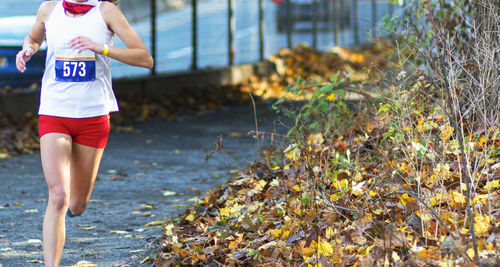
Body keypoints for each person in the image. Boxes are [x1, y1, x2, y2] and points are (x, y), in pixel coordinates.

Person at [16, 0, 153, 266]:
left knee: (77, 204)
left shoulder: (106, 11)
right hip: (54, 113)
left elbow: (145, 58)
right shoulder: (49, 9)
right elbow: (33, 37)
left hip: (93, 117)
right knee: (58, 195)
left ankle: (73, 209)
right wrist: (27, 50)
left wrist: (101, 48)